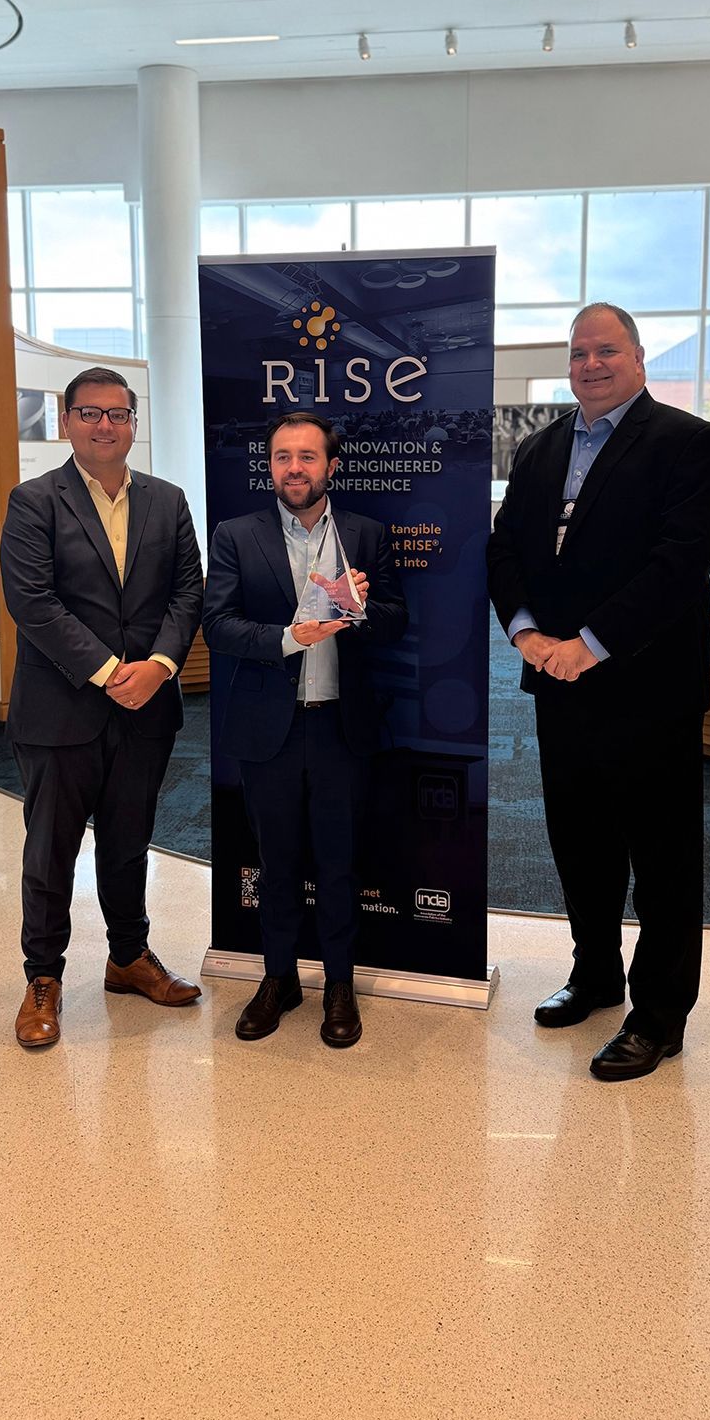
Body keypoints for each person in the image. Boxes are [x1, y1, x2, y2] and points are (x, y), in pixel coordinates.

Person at [487, 304, 710, 1081]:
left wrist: (588, 646)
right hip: (559, 683)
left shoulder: (689, 443)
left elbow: (680, 562)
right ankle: (595, 975)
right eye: (579, 352)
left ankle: (659, 1016)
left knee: (662, 857)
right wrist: (526, 633)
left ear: (639, 357)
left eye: (607, 350)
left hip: (648, 686)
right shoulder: (541, 447)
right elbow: (506, 549)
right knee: (580, 842)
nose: (591, 363)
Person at [0, 366, 204, 1049]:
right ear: (66, 422)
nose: (105, 426)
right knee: (50, 852)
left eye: (118, 415)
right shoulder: (33, 502)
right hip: (59, 713)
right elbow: (33, 602)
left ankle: (128, 958)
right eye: (90, 414)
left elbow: (187, 594)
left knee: (127, 844)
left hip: (146, 711)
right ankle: (43, 981)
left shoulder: (168, 501)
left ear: (133, 424)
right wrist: (113, 672)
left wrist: (163, 667)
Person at [204, 412, 408, 1048]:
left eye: (308, 457)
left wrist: (361, 607)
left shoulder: (365, 535)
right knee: (277, 862)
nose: (295, 467)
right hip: (271, 730)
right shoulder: (237, 534)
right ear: (271, 466)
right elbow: (218, 625)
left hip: (339, 729)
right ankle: (279, 978)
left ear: (331, 466)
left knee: (340, 864)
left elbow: (398, 620)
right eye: (283, 457)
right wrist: (290, 638)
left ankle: (340, 984)